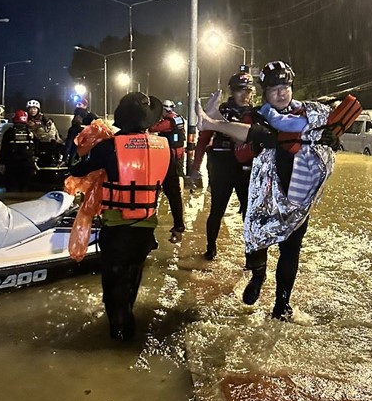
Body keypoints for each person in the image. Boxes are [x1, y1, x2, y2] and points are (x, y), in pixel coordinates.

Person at [197, 61, 343, 320]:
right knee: (257, 240)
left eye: (285, 86)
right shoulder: (254, 117)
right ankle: (258, 275)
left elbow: (326, 145)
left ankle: (282, 303)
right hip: (264, 194)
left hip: (296, 194)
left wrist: (331, 139)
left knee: (291, 249)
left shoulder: (307, 115)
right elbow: (241, 154)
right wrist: (259, 144)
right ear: (264, 92)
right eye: (274, 88)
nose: (281, 93)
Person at [67, 92, 170, 341]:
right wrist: (178, 224)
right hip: (145, 229)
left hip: (116, 228)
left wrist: (79, 141)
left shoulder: (108, 146)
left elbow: (75, 169)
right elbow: (173, 190)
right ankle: (128, 325)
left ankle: (119, 333)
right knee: (132, 278)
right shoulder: (162, 146)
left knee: (113, 286)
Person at [189, 68, 256, 260]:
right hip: (221, 167)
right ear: (232, 91)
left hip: (245, 168)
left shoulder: (255, 114)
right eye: (240, 90)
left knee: (248, 214)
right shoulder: (219, 111)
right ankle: (210, 249)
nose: (245, 95)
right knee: (216, 210)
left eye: (249, 90)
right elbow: (203, 140)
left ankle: (251, 255)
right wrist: (195, 169)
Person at [149, 99, 186, 243]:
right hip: (176, 156)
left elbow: (153, 128)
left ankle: (178, 226)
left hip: (170, 158)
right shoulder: (178, 118)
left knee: (171, 192)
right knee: (174, 192)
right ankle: (178, 227)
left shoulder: (168, 122)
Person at [0, 109, 38, 192]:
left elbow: (4, 148)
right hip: (26, 164)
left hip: (12, 164)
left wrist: (1, 163)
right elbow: (36, 146)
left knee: (12, 188)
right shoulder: (30, 133)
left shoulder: (9, 132)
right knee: (24, 188)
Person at [25, 98, 63, 166]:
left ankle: (57, 157)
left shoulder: (44, 118)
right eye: (30, 109)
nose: (32, 111)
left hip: (45, 140)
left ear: (38, 109)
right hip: (34, 140)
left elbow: (50, 129)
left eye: (34, 108)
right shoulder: (26, 118)